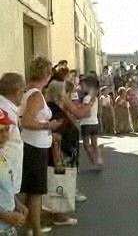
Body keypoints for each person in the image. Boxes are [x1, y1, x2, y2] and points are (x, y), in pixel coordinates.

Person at [19, 57, 62, 236]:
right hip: (34, 147)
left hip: (33, 145)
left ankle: (30, 228)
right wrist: (48, 126)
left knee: (28, 191)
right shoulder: (36, 94)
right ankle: (35, 231)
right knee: (34, 192)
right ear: (46, 74)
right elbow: (27, 121)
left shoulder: (30, 91)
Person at [45, 80, 78, 226]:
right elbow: (56, 137)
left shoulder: (56, 107)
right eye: (64, 91)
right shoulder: (53, 110)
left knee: (61, 182)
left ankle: (57, 214)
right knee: (59, 182)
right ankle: (59, 215)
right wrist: (57, 159)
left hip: (66, 151)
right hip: (60, 152)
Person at [0, 108, 28, 235]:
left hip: (7, 226)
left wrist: (16, 203)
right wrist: (4, 216)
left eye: (6, 130)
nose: (4, 135)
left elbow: (6, 188)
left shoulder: (3, 156)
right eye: (0, 131)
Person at [0, 73, 25, 196]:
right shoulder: (4, 110)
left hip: (9, 168)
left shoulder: (9, 108)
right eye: (23, 91)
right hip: (5, 169)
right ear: (18, 92)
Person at [80, 76, 102, 171]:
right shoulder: (96, 98)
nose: (81, 87)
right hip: (95, 122)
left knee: (86, 144)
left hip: (86, 123)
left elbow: (86, 112)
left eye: (83, 85)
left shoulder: (86, 99)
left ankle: (94, 162)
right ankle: (99, 159)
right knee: (95, 143)